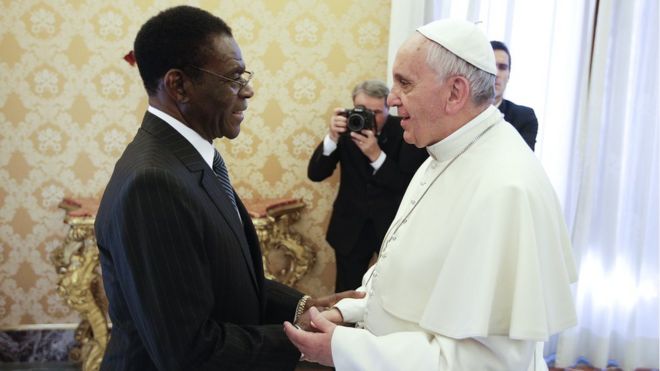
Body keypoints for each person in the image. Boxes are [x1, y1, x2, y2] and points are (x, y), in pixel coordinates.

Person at [284, 19, 577, 370]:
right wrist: (344, 310)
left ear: (455, 92)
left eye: (405, 83)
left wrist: (345, 349)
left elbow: (484, 362)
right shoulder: (442, 150)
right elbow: (410, 283)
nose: (391, 100)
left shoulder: (505, 188)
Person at [95, 6, 359, 370]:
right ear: (179, 85)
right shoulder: (153, 183)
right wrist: (304, 342)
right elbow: (187, 350)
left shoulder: (190, 160)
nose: (248, 91)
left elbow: (222, 279)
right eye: (234, 77)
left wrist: (304, 306)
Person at [307, 80, 429, 292]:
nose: (369, 118)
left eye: (376, 112)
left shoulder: (405, 131)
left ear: (387, 108)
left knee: (390, 291)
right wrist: (332, 138)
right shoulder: (347, 127)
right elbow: (316, 174)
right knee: (346, 292)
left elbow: (406, 185)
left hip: (391, 228)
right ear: (353, 106)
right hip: (350, 229)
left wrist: (376, 155)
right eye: (362, 110)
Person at [491, 40, 539, 150]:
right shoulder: (460, 113)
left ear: (509, 75)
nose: (496, 74)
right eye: (491, 65)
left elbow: (523, 163)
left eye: (502, 67)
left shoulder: (524, 118)